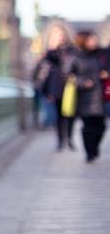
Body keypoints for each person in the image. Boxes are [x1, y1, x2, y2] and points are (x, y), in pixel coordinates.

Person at [37, 27, 78, 151]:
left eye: (61, 35)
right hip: (55, 88)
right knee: (58, 116)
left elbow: (77, 66)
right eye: (57, 35)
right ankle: (60, 141)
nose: (60, 37)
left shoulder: (72, 51)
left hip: (70, 86)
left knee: (70, 114)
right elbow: (43, 72)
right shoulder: (49, 53)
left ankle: (70, 139)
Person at [71, 29, 108, 163]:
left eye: (95, 38)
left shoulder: (104, 54)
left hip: (102, 96)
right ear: (84, 41)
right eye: (92, 39)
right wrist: (82, 82)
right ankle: (89, 152)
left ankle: (95, 147)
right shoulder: (76, 57)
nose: (95, 41)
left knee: (101, 126)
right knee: (87, 126)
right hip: (84, 97)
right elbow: (69, 76)